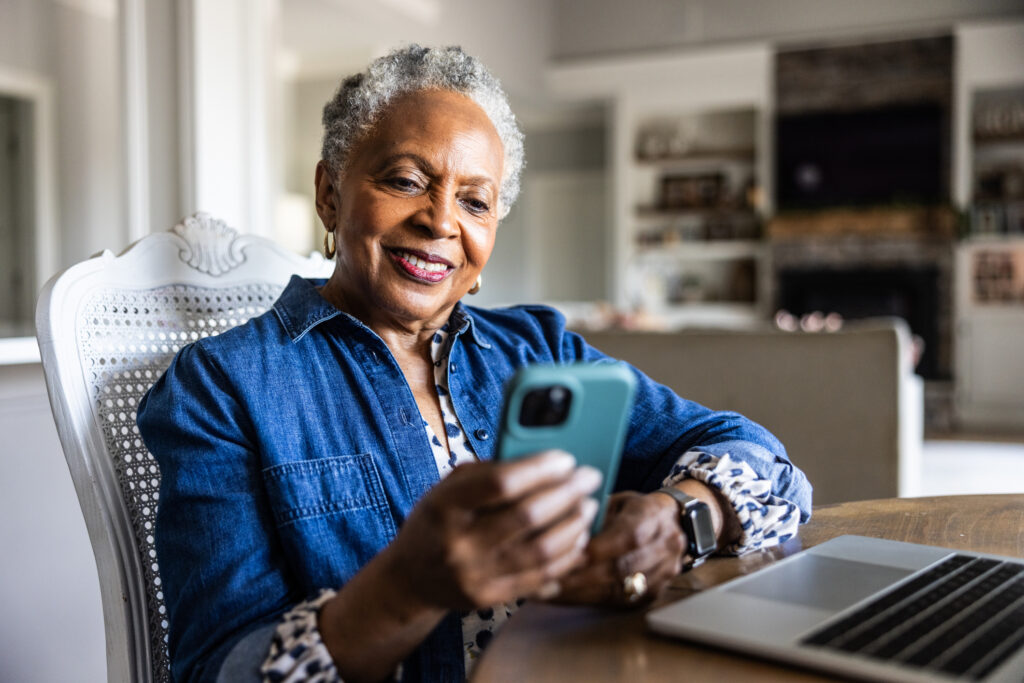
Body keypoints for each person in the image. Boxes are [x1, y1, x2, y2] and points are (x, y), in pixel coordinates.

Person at [137, 44, 812, 683]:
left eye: (474, 200)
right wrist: (406, 588)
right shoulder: (222, 387)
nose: (440, 221)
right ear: (329, 194)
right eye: (405, 180)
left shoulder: (537, 348)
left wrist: (679, 518)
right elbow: (217, 668)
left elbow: (766, 463)